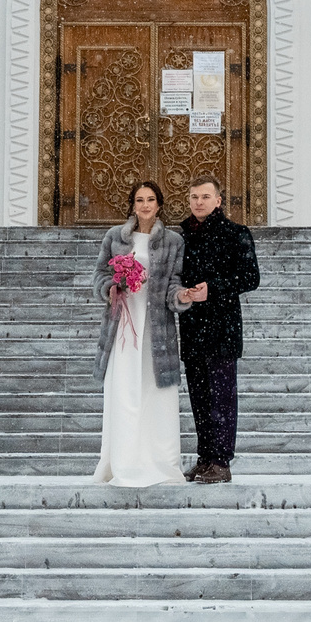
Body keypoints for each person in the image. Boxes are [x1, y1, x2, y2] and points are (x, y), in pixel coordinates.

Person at [93, 180, 186, 487]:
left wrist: (180, 297)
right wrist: (112, 287)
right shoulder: (115, 238)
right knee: (125, 391)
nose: (145, 205)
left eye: (150, 200)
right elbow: (99, 277)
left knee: (155, 391)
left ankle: (159, 461)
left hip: (157, 328)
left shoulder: (173, 241)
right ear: (132, 205)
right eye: (139, 200)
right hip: (123, 324)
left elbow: (173, 283)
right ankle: (125, 461)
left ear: (159, 204)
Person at [175, 174, 259, 484]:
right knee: (199, 396)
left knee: (222, 397)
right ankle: (205, 457)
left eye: (205, 197)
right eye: (194, 197)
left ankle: (221, 461)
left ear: (218, 201)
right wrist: (181, 293)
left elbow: (250, 277)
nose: (199, 202)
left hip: (222, 327)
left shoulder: (236, 234)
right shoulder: (182, 237)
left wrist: (215, 288)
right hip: (193, 327)